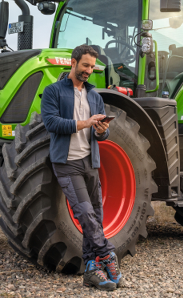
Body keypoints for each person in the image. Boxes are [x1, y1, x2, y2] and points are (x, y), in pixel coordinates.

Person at [41, 44, 125, 291]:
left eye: (92, 66)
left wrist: (101, 130)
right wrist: (84, 123)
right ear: (73, 62)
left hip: (90, 162)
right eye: (85, 65)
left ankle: (90, 268)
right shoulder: (53, 91)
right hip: (67, 163)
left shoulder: (95, 96)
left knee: (96, 217)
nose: (89, 70)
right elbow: (51, 123)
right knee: (85, 214)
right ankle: (108, 255)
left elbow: (102, 135)